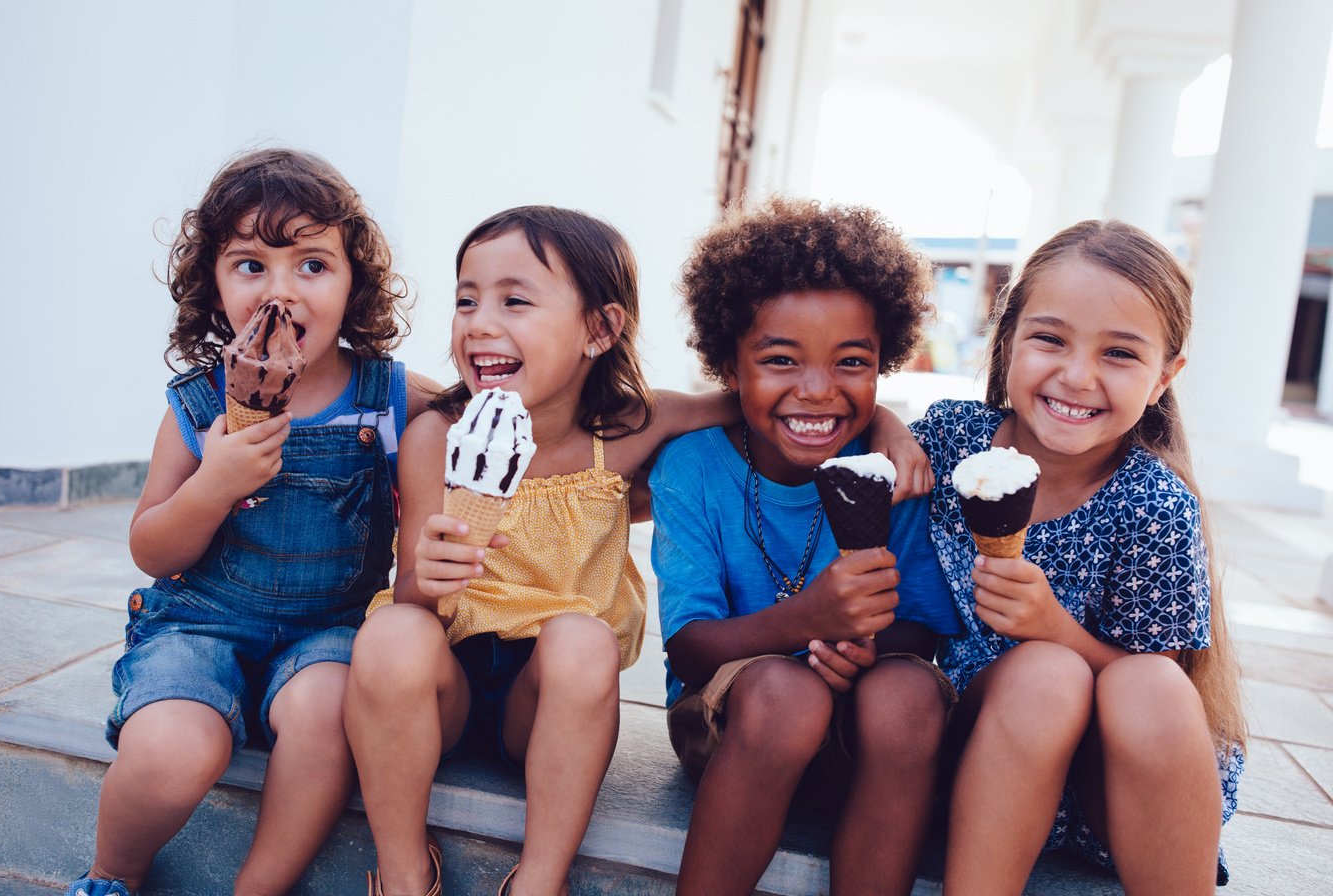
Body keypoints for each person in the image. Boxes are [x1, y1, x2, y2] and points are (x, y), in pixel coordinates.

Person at [343, 204, 930, 896]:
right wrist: (425, 580)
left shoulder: (630, 429)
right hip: (445, 692)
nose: (479, 321)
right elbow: (413, 590)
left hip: (550, 702)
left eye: (514, 300)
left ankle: (538, 881)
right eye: (466, 299)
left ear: (600, 329)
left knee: (584, 641)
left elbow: (770, 396)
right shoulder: (437, 439)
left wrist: (888, 424)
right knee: (391, 631)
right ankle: (404, 871)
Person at [69, 148, 437, 896]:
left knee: (331, 706)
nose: (281, 290)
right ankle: (111, 875)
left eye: (311, 265)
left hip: (327, 634)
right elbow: (150, 546)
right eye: (249, 265)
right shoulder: (197, 404)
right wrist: (214, 484)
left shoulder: (388, 397)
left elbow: (495, 415)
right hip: (197, 626)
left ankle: (257, 888)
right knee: (173, 749)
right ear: (213, 285)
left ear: (352, 281)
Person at [910, 220, 1246, 895]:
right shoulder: (949, 442)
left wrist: (1056, 630)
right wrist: (888, 429)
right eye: (1050, 338)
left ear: (1164, 378)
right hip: (970, 755)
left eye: (1119, 354)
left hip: (1107, 793)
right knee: (1043, 677)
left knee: (1133, 681)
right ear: (1007, 341)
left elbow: (1164, 692)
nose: (1077, 375)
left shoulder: (1154, 504)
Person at [651, 196, 963, 896]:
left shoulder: (896, 474)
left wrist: (864, 652)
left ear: (885, 364)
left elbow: (919, 629)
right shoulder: (693, 467)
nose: (818, 391)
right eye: (782, 359)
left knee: (912, 693)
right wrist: (807, 622)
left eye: (851, 362)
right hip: (737, 723)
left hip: (858, 732)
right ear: (730, 365)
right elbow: (690, 648)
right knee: (786, 695)